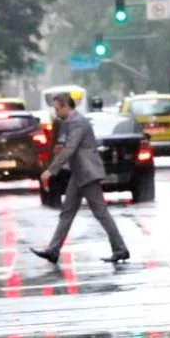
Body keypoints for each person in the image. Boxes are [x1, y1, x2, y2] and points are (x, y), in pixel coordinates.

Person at [31, 93, 130, 264]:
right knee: (67, 213)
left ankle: (120, 249)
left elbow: (70, 148)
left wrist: (51, 170)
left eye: (56, 109)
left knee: (101, 213)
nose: (56, 113)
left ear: (64, 106)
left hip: (87, 173)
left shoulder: (77, 122)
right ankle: (53, 250)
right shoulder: (71, 122)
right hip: (79, 173)